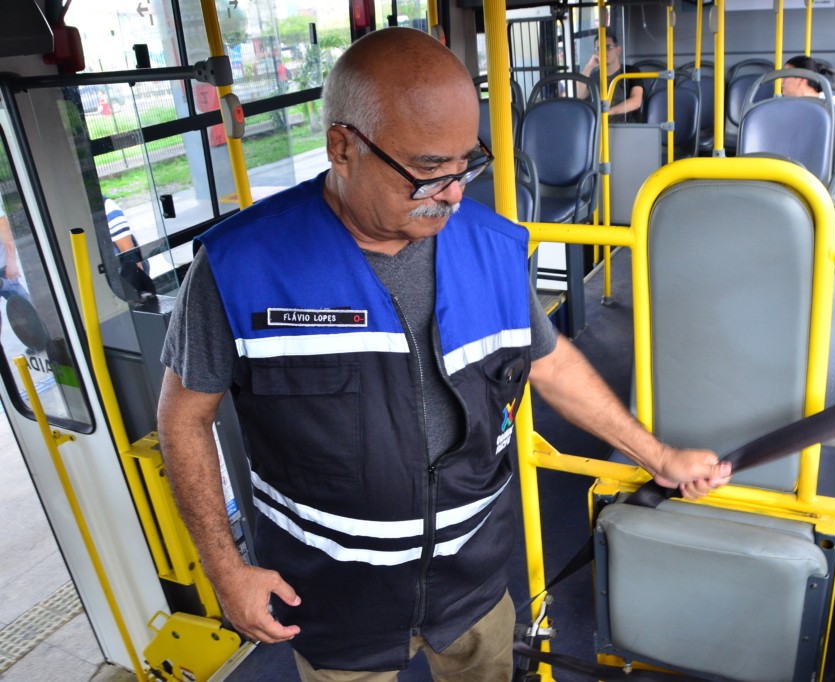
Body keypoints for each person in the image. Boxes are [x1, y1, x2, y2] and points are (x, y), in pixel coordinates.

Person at [157, 27, 730, 682]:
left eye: (467, 163)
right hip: (332, 602)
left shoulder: (492, 248)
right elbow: (183, 418)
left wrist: (656, 455)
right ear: (342, 147)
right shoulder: (240, 267)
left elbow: (551, 363)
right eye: (429, 171)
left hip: (475, 584)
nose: (456, 194)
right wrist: (224, 568)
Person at [576, 34, 644, 123]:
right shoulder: (594, 76)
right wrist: (589, 67)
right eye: (599, 49)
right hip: (600, 127)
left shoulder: (631, 71)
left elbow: (636, 101)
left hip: (627, 125)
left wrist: (608, 112)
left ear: (618, 50)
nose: (604, 51)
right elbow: (579, 95)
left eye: (608, 47)